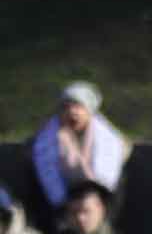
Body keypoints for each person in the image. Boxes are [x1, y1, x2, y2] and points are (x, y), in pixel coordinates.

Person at [30, 82, 130, 214]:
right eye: (65, 107)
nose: (71, 112)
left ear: (89, 111)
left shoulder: (107, 141)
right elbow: (48, 173)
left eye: (78, 106)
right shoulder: (47, 139)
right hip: (59, 208)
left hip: (101, 205)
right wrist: (64, 207)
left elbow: (105, 182)